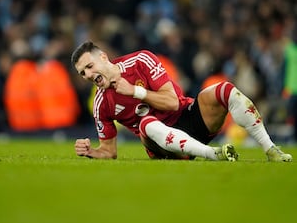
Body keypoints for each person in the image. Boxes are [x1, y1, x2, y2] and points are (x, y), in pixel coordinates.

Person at [71, 41, 292, 162]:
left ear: (103, 57)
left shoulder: (141, 61)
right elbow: (110, 151)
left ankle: (271, 149)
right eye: (82, 73)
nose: (88, 75)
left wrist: (135, 92)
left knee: (224, 89)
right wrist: (92, 151)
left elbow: (173, 103)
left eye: (89, 67)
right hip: (162, 146)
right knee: (146, 124)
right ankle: (213, 155)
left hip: (186, 117)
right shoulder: (101, 104)